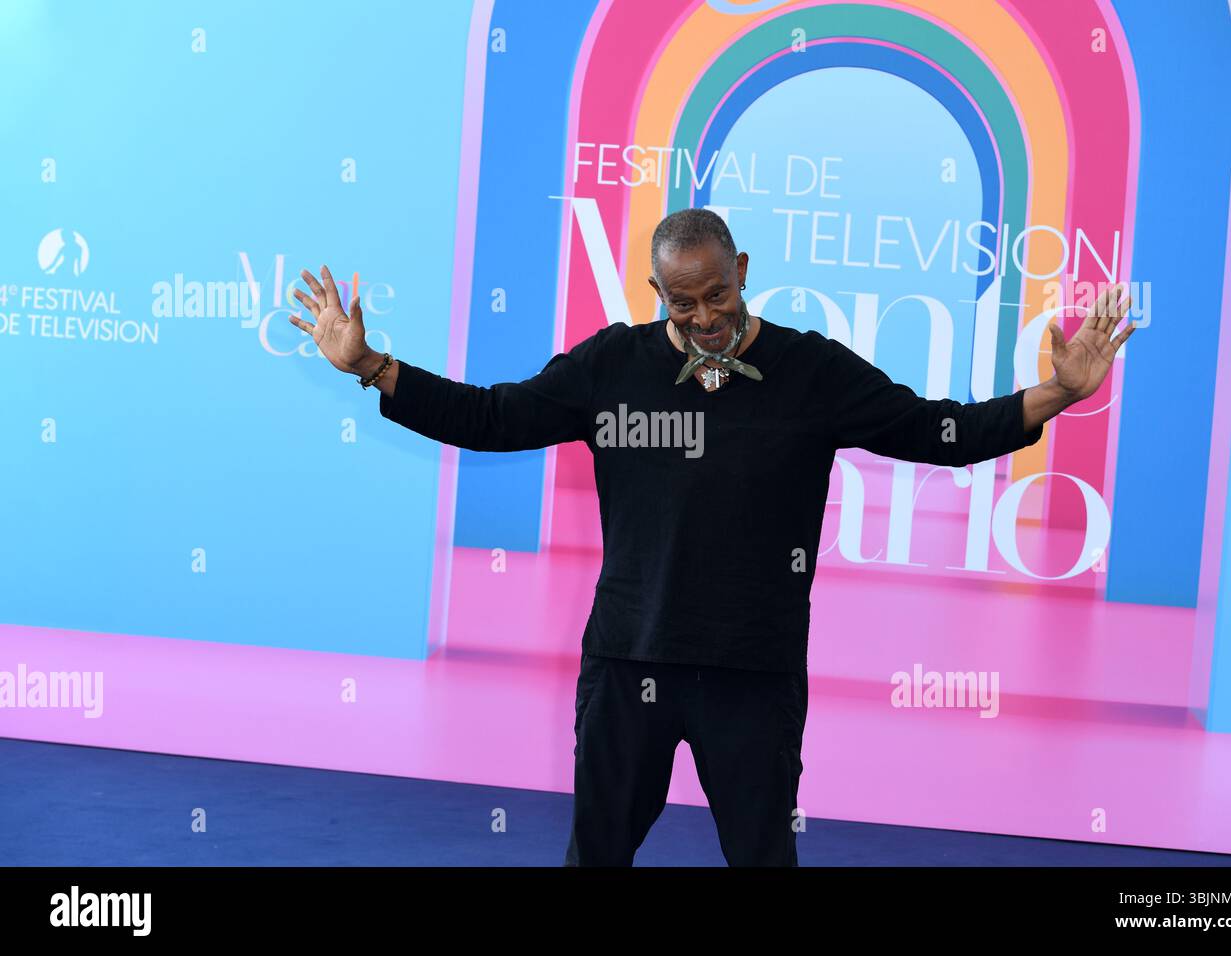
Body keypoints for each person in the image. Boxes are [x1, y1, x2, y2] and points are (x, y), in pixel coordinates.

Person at [289, 208, 1136, 866]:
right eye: (680, 302)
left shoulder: (813, 372)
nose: (702, 317)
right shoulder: (609, 367)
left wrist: (1057, 393)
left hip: (753, 672)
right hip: (629, 662)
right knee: (598, 856)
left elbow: (938, 431)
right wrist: (371, 366)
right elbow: (490, 417)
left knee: (764, 857)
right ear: (658, 292)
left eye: (718, 295)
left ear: (744, 273)